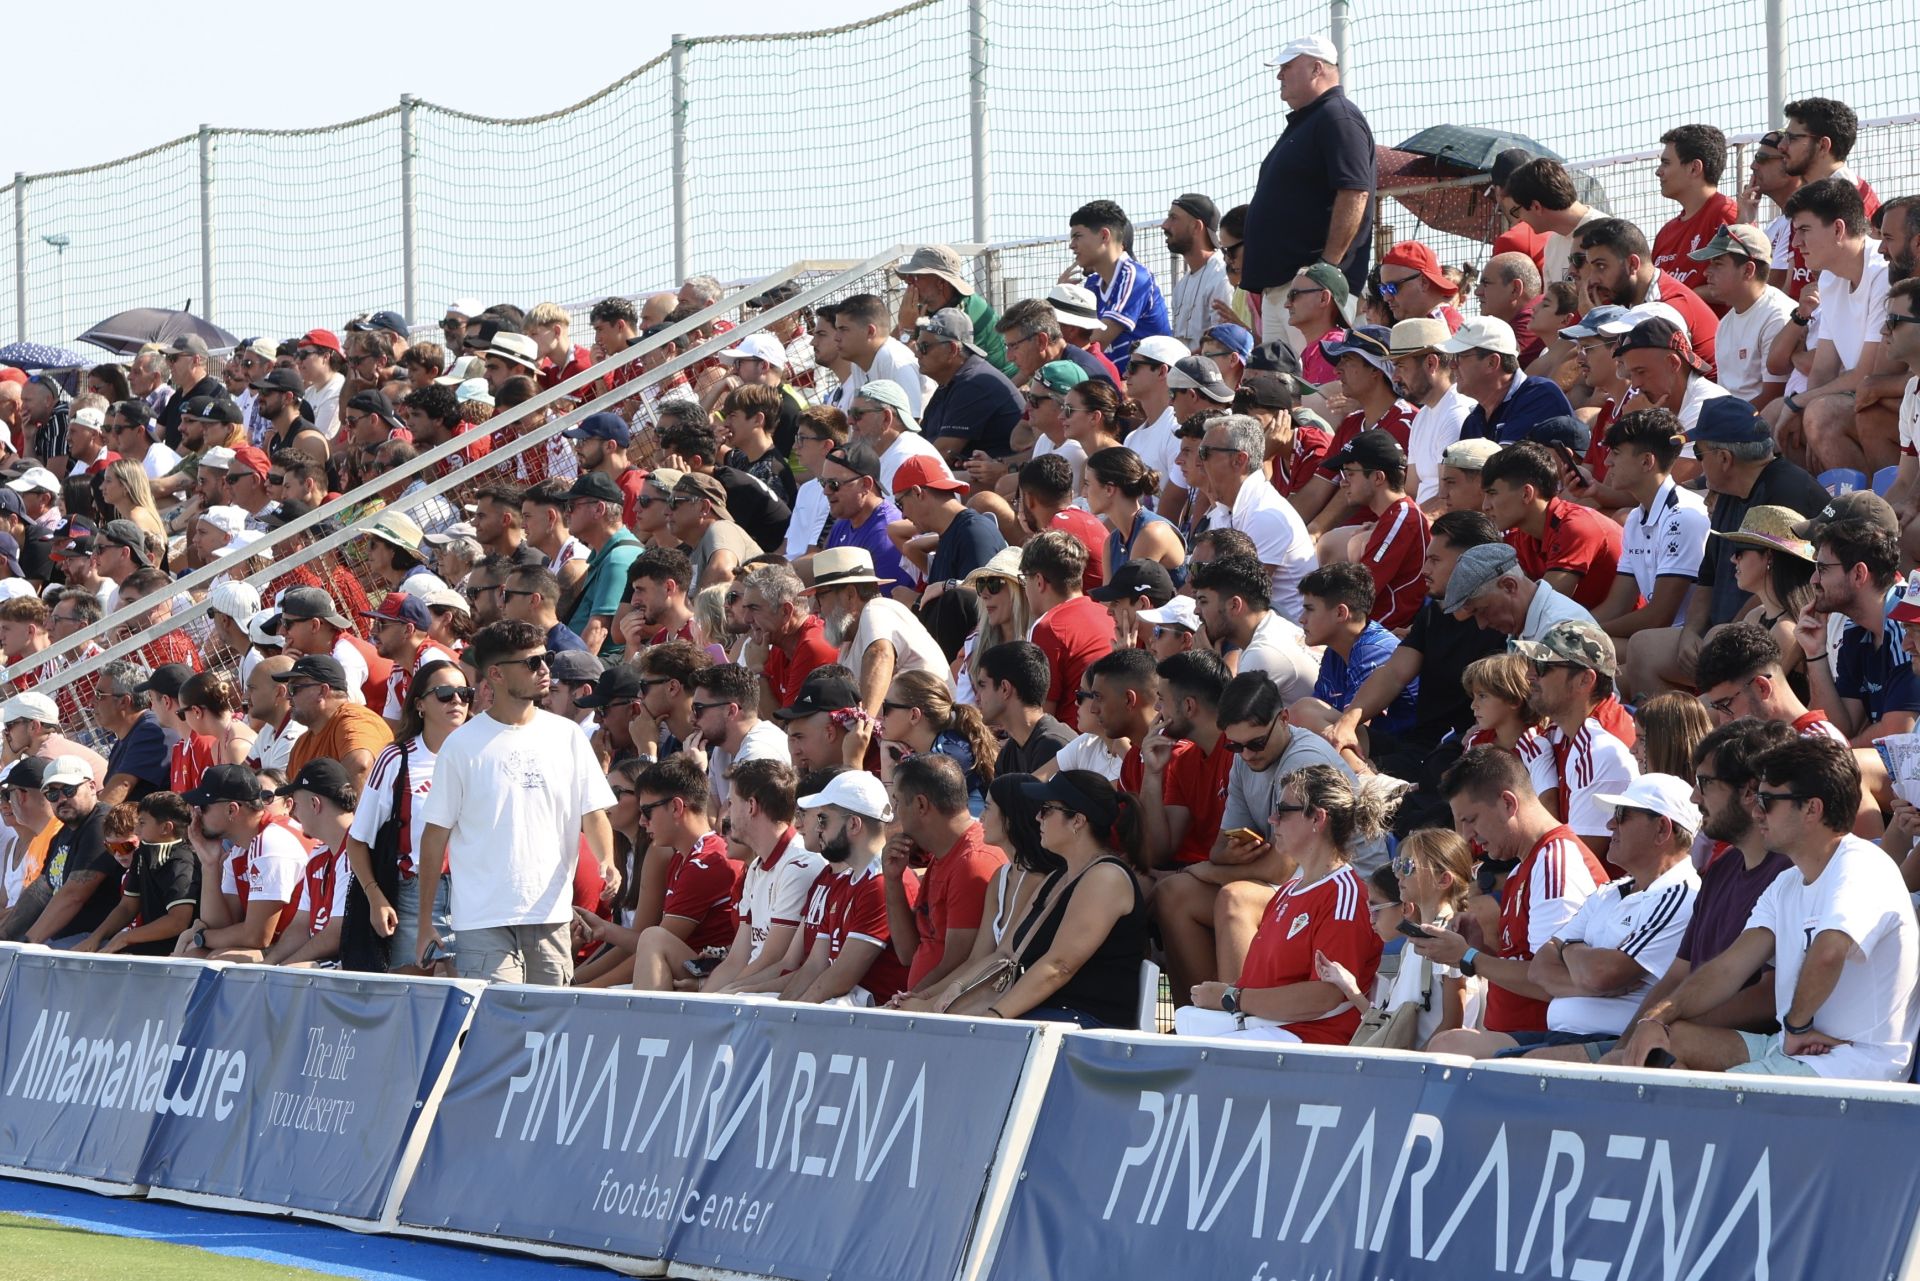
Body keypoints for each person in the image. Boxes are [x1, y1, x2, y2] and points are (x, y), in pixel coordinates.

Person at [1621, 737, 1918, 1081]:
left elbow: (1828, 952)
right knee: (1662, 1045)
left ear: (1811, 809)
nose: (1756, 811)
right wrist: (1656, 1018)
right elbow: (1728, 969)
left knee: (1689, 1092)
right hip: (1794, 1049)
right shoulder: (1786, 884)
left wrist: (1796, 1025)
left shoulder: (1863, 865)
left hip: (1853, 1065)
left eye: (1767, 800)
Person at [1434, 772, 1701, 1061]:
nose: (1610, 823)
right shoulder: (1611, 890)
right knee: (1448, 1045)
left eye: (1622, 815)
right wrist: (1584, 966)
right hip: (1561, 1036)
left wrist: (1568, 949)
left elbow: (1601, 974)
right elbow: (1541, 970)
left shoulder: (1682, 893)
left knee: (1522, 1068)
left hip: (1613, 1042)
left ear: (1662, 829)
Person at [416, 620, 618, 983]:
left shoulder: (568, 735)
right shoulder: (460, 746)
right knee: (500, 1025)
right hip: (481, 918)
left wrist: (608, 860)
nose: (545, 670)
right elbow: (434, 837)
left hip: (551, 912)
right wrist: (425, 922)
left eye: (547, 658)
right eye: (531, 663)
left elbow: (594, 812)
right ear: (494, 674)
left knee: (548, 1026)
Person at [1622, 398, 1828, 697]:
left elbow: (1776, 587)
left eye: (1700, 453)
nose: (1698, 464)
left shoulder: (1785, 491)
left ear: (1724, 458)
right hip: (1725, 630)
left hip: (1779, 631)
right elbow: (1707, 576)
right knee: (1643, 648)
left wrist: (1726, 636)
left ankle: (1705, 732)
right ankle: (1672, 737)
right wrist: (1691, 632)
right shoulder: (1730, 488)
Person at [1179, 764, 1396, 1042]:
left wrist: (1232, 997)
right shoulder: (1289, 890)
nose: (1272, 820)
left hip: (1309, 1043)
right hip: (1266, 1031)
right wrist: (1229, 993)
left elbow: (1325, 996)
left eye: (1282, 811)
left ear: (1318, 818)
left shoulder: (1346, 896)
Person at [1408, 747, 1606, 1038]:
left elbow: (1553, 981)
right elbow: (1525, 965)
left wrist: (1469, 957)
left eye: (1470, 819)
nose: (1464, 836)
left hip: (1543, 1046)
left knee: (1449, 1045)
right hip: (1515, 1045)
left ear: (1507, 803)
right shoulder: (1526, 866)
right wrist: (1481, 946)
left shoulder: (1555, 862)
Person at [940, 769, 1147, 1027]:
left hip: (1085, 1025)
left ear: (1078, 821)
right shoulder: (1057, 877)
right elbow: (1006, 951)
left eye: (1047, 809)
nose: (1037, 817)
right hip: (1047, 1018)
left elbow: (1060, 966)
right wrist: (957, 988)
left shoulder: (1106, 878)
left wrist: (993, 1018)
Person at [1315, 510, 1507, 769]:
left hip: (1459, 753)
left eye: (1436, 560)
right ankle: (1366, 778)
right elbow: (1394, 673)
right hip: (1416, 745)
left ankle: (1366, 780)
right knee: (1307, 713)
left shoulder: (1504, 626)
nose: (1425, 570)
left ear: (1469, 562)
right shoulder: (1435, 611)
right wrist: (1347, 723)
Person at [342, 658, 468, 974]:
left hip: (474, 894)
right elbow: (357, 841)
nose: (456, 701)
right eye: (444, 693)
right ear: (420, 705)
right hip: (413, 895)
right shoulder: (396, 758)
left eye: (464, 693)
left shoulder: (481, 755)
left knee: (467, 1001)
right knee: (411, 1001)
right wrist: (376, 898)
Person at [1243, 34, 1375, 327]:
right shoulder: (1313, 119)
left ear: (1317, 69)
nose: (1279, 74)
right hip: (1292, 290)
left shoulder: (1338, 117)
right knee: (1284, 375)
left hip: (1314, 293)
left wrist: (1325, 270)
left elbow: (1354, 192)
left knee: (1316, 373)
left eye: (1288, 66)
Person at [585, 755, 741, 990]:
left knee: (654, 938)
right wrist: (603, 930)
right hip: (696, 970)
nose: (642, 821)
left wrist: (586, 990)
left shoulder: (706, 862)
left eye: (647, 811)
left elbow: (652, 945)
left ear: (677, 807)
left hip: (712, 979)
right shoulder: (681, 857)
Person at [776, 771, 917, 1006]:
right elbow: (812, 968)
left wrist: (787, 1021)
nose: (818, 829)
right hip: (847, 1016)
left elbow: (838, 978)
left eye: (823, 820)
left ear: (853, 824)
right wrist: (779, 1013)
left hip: (876, 1025)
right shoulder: (843, 880)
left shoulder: (880, 884)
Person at [882, 754, 1007, 995]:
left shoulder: (973, 862)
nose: (894, 813)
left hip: (944, 1012)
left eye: (897, 802)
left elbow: (959, 965)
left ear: (920, 804)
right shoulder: (944, 853)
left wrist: (910, 1004)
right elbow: (908, 953)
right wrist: (893, 880)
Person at [1515, 619, 1639, 861]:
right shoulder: (1562, 730)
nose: (1530, 674)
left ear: (1585, 680)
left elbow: (1573, 864)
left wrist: (1545, 785)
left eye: (1542, 666)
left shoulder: (1601, 748)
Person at [1591, 409, 1711, 641]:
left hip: (1688, 644)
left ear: (1647, 461)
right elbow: (1617, 605)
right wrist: (1570, 626)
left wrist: (1585, 634)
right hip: (1656, 640)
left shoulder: (1684, 517)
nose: (1607, 462)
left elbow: (1659, 618)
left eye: (1615, 453)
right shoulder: (1635, 519)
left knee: (1577, 654)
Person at [1799, 517, 1918, 746]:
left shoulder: (1906, 625)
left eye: (1822, 569)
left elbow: (1897, 733)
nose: (1813, 580)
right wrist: (1815, 654)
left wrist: (1834, 760)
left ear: (1858, 574)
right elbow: (1841, 728)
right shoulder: (1855, 628)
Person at [177, 763, 315, 960]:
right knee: (196, 955)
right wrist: (209, 864)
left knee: (214, 960)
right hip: (284, 943)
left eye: (204, 807)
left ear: (232, 810)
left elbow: (257, 936)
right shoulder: (241, 848)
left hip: (306, 945)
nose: (196, 815)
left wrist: (202, 936)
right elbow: (222, 925)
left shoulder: (271, 842)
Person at [1483, 440, 1622, 612]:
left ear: (1526, 494)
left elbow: (1541, 608)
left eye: (1492, 494)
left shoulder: (1575, 527)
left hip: (1620, 633)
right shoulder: (1523, 535)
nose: (1485, 506)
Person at [806, 546, 947, 716]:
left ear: (850, 594)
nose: (816, 608)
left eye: (821, 596)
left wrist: (864, 724)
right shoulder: (847, 644)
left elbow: (880, 652)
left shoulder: (878, 608)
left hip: (933, 733)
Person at [1196, 414, 1314, 613]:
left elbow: (1239, 596)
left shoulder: (1265, 515)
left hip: (1283, 634)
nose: (1200, 462)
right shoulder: (1225, 510)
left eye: (1205, 452)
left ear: (1239, 460)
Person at [1575, 217, 1721, 372]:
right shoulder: (1632, 298)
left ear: (1632, 264)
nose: (1592, 280)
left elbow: (1660, 384)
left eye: (1601, 266)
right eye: (1592, 268)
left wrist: (1595, 325)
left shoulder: (1667, 307)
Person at [1295, 561, 1418, 740]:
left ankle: (1362, 771)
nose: (1301, 619)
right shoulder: (1335, 652)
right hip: (1375, 747)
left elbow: (1353, 733)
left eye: (1309, 610)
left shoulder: (1374, 650)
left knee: (1304, 712)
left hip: (1404, 753)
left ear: (1340, 613)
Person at [1137, 650, 1235, 869]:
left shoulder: (1241, 753)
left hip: (1232, 880)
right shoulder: (1184, 761)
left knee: (1167, 891)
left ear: (1189, 706)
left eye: (1161, 700)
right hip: (1199, 872)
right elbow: (1157, 853)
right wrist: (1152, 774)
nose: (1156, 709)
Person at [71, 792, 197, 956]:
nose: (137, 829)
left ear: (166, 828)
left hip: (177, 950)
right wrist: (95, 938)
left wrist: (126, 937)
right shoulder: (143, 854)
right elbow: (127, 906)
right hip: (150, 944)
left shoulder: (181, 861)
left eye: (142, 823)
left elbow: (178, 922)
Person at [1328, 430, 1429, 628]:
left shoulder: (1402, 519)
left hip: (1378, 636)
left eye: (1350, 474)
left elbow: (1357, 592)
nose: (1343, 483)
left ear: (1378, 477)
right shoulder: (1395, 516)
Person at [1189, 549, 1317, 700]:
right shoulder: (1270, 628)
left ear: (1234, 605)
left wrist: (1207, 665)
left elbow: (1228, 719)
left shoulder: (1264, 652)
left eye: (1203, 601)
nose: (1196, 611)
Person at [1690, 223, 1795, 407]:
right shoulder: (1725, 323)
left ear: (1748, 270)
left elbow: (1775, 397)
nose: (1707, 272)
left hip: (1761, 429)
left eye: (1718, 264)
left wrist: (1724, 425)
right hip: (1736, 423)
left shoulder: (1778, 316)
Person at [1022, 530, 1114, 730]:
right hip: (1109, 745)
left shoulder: (1048, 627)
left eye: (1024, 579)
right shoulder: (1106, 614)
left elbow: (1040, 718)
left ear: (1038, 581)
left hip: (1074, 749)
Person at [1068, 200, 1172, 372]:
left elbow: (1096, 343)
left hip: (1154, 384)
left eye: (1077, 236)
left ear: (1104, 236)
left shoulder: (1134, 276)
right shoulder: (1093, 284)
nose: (1071, 245)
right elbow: (1075, 339)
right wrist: (1059, 299)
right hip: (1120, 384)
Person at [914, 309, 1025, 463]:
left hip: (1004, 477)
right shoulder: (951, 383)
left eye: (924, 347)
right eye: (917, 347)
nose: (917, 354)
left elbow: (941, 454)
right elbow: (924, 443)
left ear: (952, 350)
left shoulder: (974, 383)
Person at [1446, 317, 1576, 444]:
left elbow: (1506, 464)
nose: (1451, 364)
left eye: (1459, 356)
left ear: (1492, 362)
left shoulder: (1540, 396)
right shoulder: (1473, 421)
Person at [1390, 317, 1473, 508]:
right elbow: (1411, 490)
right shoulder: (1422, 416)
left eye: (1401, 366)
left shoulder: (1456, 413)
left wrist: (1406, 525)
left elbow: (1450, 499)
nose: (1395, 377)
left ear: (1430, 363)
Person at [280, 655, 393, 793]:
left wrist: (337, 812)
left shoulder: (355, 719)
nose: (287, 697)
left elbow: (360, 765)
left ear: (322, 691)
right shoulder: (301, 744)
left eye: (294, 688)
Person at [561, 471, 642, 656]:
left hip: (597, 668)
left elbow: (598, 631)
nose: (566, 512)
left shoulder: (618, 559)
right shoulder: (606, 554)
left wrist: (569, 677)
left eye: (572, 505)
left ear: (599, 509)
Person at [1652, 123, 1739, 293]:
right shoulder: (1665, 232)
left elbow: (1742, 284)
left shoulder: (1726, 214)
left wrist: (1681, 299)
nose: (1658, 171)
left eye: (1666, 163)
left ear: (1694, 168)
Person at [1378, 240, 1465, 331]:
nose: (1386, 298)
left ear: (1424, 282)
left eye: (1392, 287)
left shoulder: (1449, 329)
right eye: (1383, 289)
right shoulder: (1432, 322)